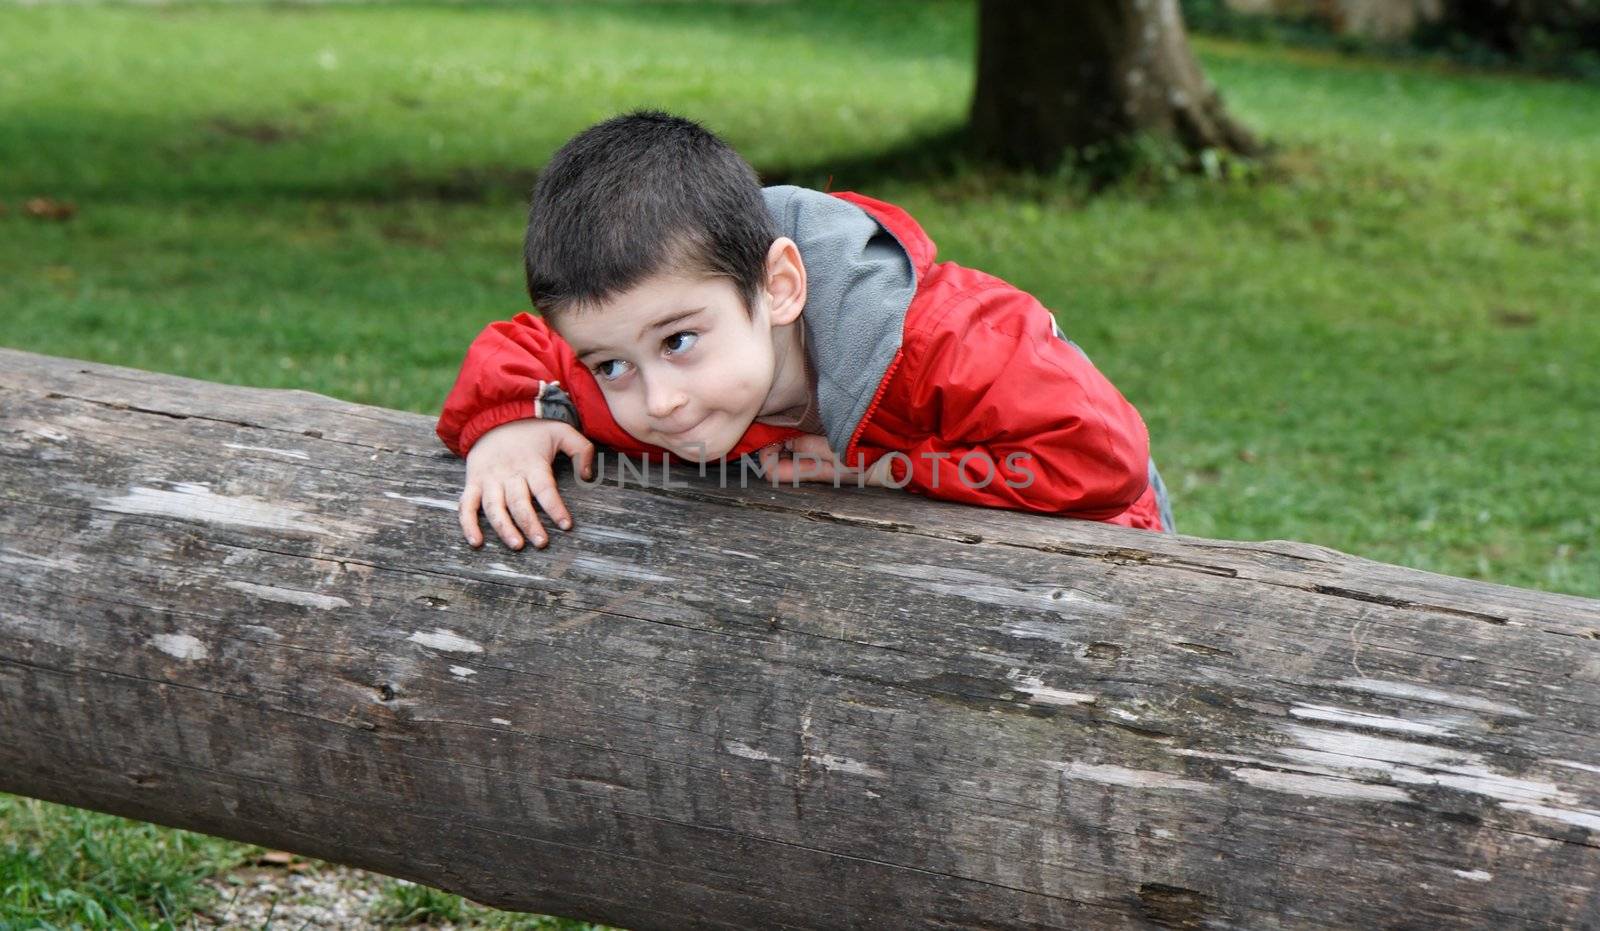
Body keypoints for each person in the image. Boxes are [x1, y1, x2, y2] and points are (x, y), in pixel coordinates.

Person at [436, 110, 1175, 551]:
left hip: (1100, 556)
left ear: (780, 286)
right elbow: (523, 346)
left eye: (679, 342)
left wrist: (882, 470)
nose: (657, 402)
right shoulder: (640, 362)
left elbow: (1103, 458)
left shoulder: (949, 341)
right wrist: (511, 422)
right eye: (610, 366)